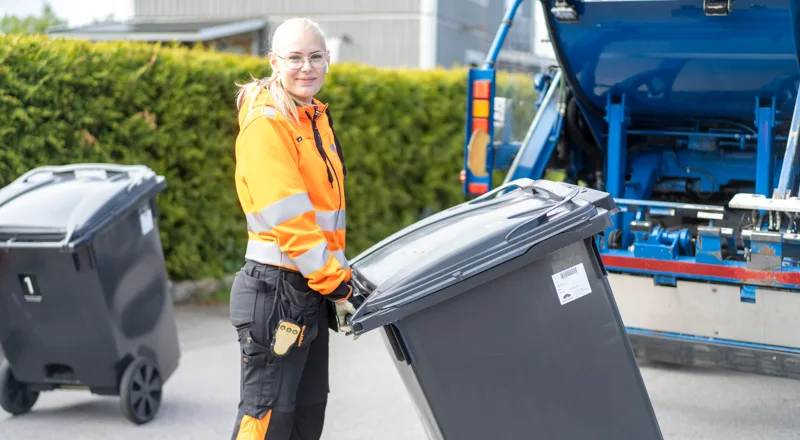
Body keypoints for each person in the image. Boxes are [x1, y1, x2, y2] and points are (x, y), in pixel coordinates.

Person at [228, 17, 359, 440]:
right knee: (266, 421)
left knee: (304, 418)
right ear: (274, 62)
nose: (307, 67)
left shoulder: (311, 118)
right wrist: (338, 285)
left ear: (327, 61)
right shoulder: (269, 124)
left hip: (307, 291)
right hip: (276, 293)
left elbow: (323, 216)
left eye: (316, 56)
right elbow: (292, 221)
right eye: (295, 58)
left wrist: (334, 280)